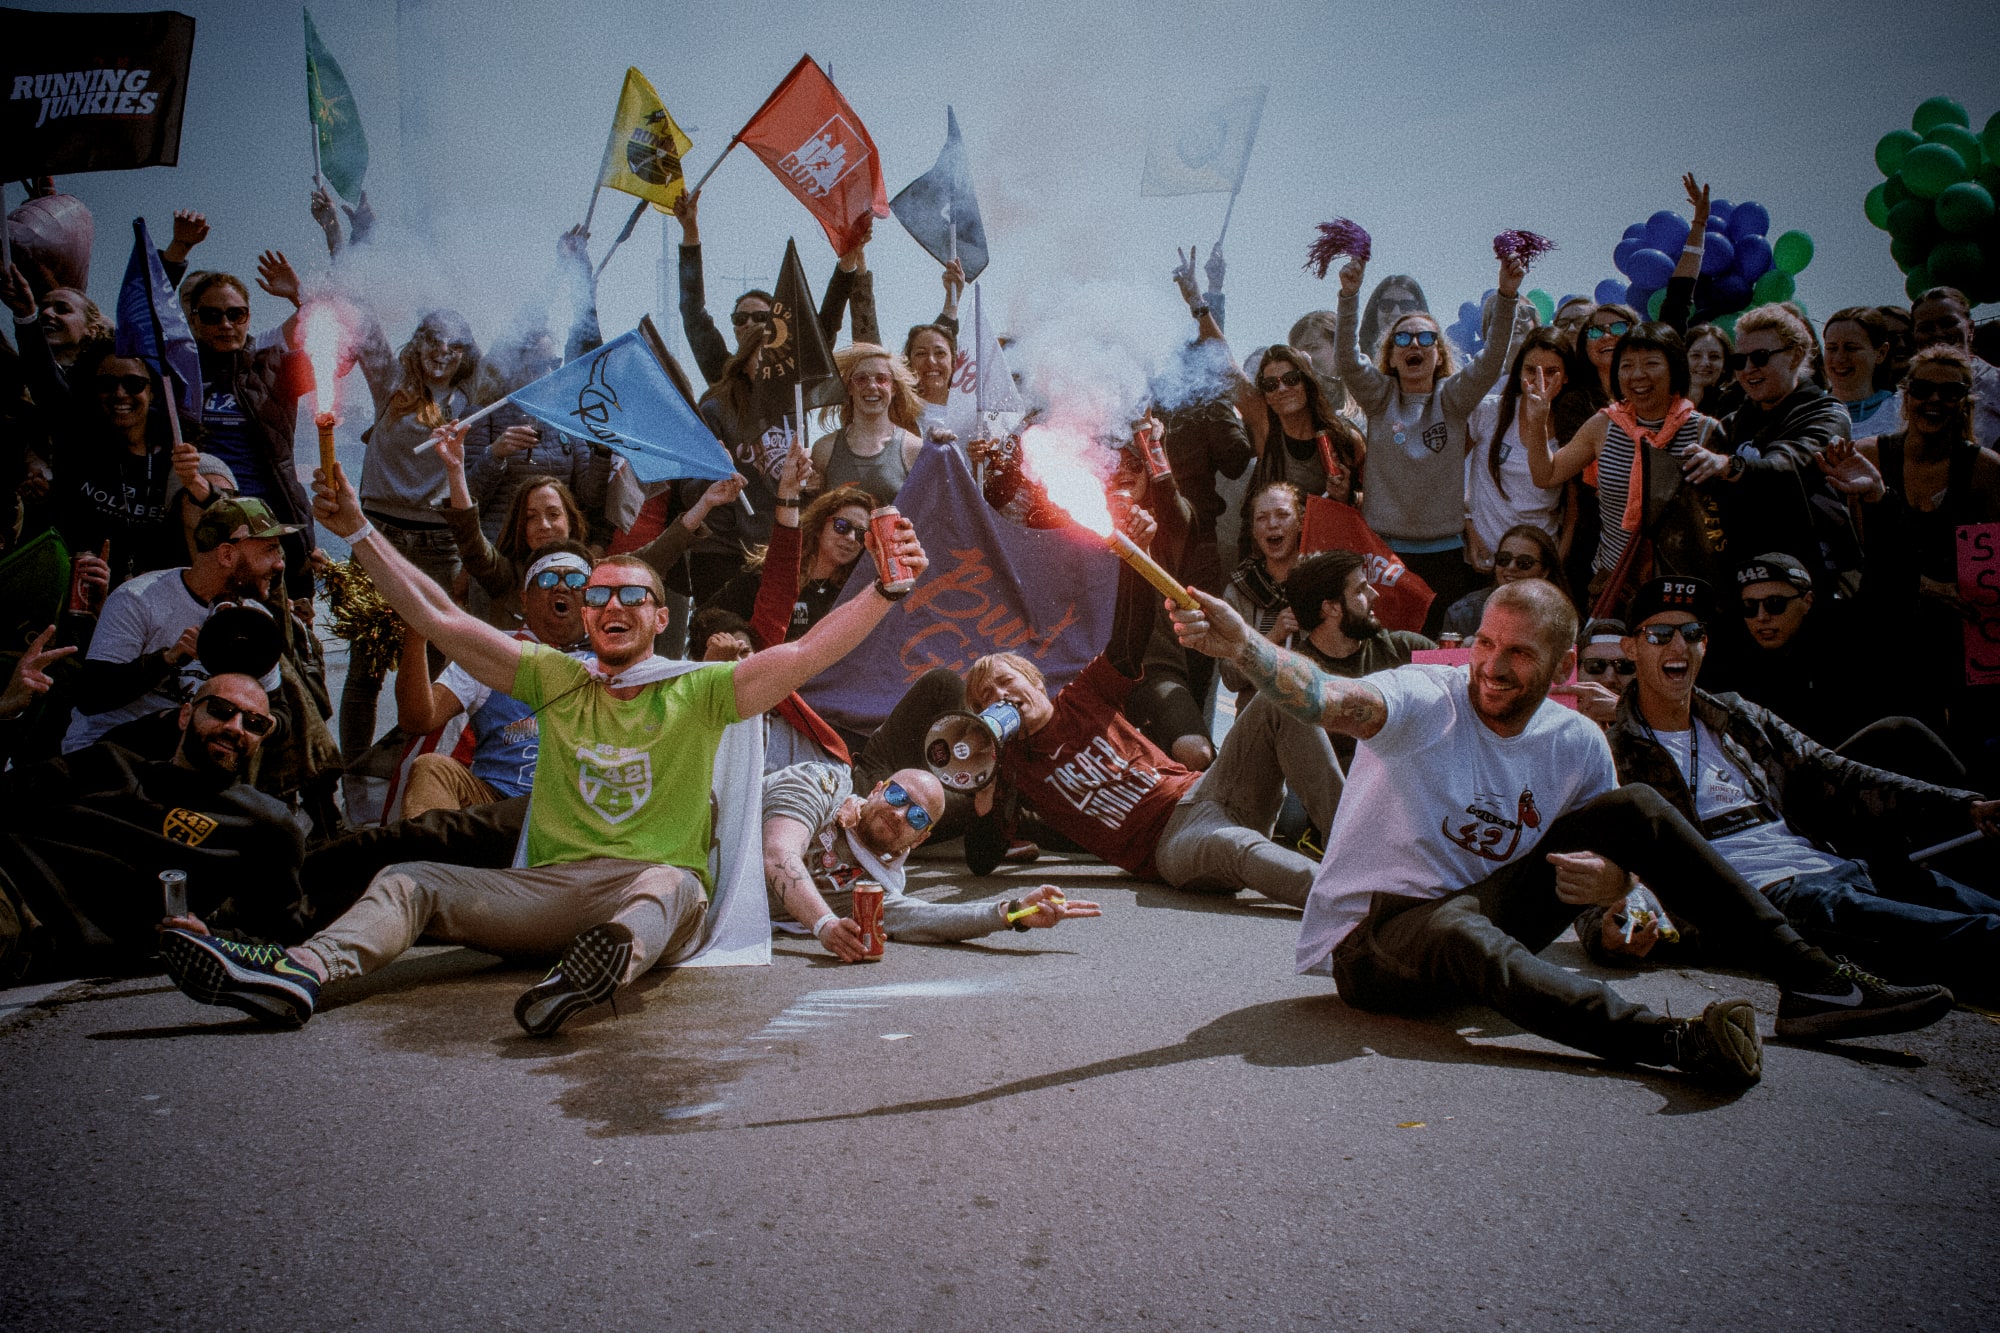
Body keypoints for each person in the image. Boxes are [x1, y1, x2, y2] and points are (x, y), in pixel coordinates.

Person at [158, 457, 930, 1036]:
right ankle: (299, 972)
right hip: (551, 890)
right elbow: (439, 618)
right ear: (586, 618)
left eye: (634, 595)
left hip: (647, 895)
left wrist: (884, 590)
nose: (612, 604)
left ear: (661, 619)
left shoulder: (698, 689)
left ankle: (586, 977)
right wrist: (358, 529)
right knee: (409, 879)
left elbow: (806, 654)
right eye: (598, 596)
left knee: (671, 886)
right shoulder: (555, 677)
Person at [1167, 574, 1954, 1087]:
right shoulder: (1423, 697)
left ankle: (1816, 984)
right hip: (1376, 944)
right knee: (1455, 929)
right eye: (1484, 646)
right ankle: (1679, 1044)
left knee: (1636, 810)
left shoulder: (1575, 743)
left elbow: (1616, 904)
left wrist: (1621, 889)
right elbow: (1330, 700)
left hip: (1482, 905)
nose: (1493, 669)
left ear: (1562, 663)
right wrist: (1246, 646)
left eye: (1518, 654)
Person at [1588, 575, 1998, 1006]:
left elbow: (1838, 772)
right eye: (1659, 635)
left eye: (1692, 634)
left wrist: (1966, 807)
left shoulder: (1737, 715)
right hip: (1779, 901)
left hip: (1841, 866)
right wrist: (1604, 933)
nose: (1677, 647)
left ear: (1705, 644)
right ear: (1631, 649)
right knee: (1978, 938)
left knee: (1985, 910)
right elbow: (1589, 864)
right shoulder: (1613, 755)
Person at [960, 516, 1347, 907]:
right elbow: (980, 861)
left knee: (1274, 701)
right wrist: (984, 776)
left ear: (1035, 681)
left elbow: (1129, 640)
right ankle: (1357, 902)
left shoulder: (1082, 696)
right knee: (1239, 847)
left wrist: (1133, 556)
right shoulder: (1012, 766)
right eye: (986, 696)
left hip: (1209, 789)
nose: (1000, 694)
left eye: (1007, 682)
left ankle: (1357, 846)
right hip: (1173, 843)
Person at [0, 673, 307, 984]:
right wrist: (5, 712)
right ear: (185, 715)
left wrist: (211, 937)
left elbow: (279, 936)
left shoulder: (266, 824)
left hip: (38, 933)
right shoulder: (110, 763)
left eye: (254, 724)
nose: (234, 727)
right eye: (220, 710)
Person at [1332, 250, 1529, 633]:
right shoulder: (1379, 397)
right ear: (1391, 353)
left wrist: (1506, 296)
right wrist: (1349, 296)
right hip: (1383, 553)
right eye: (1403, 338)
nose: (1414, 345)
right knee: (1384, 649)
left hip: (1444, 553)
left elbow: (1490, 362)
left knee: (1434, 652)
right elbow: (1347, 358)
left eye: (1426, 338)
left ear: (1438, 354)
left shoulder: (1453, 398)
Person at [1831, 346, 2000, 755]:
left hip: (1963, 630)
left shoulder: (1984, 469)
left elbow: (1992, 562)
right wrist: (1923, 585)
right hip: (1888, 619)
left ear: (1965, 400)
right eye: (1923, 389)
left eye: (1950, 392)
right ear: (1906, 394)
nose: (1935, 401)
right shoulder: (1870, 456)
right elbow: (1857, 555)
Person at [762, 761, 1097, 961]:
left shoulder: (874, 889)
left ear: (920, 839)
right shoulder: (821, 784)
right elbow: (778, 852)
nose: (899, 813)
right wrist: (825, 925)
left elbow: (927, 917)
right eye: (896, 796)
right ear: (877, 789)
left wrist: (1014, 912)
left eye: (917, 817)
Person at [343, 307, 483, 758]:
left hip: (440, 546)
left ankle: (417, 771)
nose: (442, 353)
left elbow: (522, 346)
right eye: (433, 341)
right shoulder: (391, 385)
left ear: (466, 354)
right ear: (417, 343)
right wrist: (343, 238)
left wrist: (569, 269)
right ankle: (354, 775)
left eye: (454, 345)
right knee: (364, 670)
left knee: (435, 673)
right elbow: (363, 322)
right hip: (377, 537)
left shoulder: (475, 397)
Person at [62, 497, 295, 753]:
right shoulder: (139, 598)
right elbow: (91, 697)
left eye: (279, 551)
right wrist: (167, 659)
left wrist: (253, 720)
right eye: (269, 550)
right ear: (227, 554)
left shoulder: (254, 620)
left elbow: (281, 713)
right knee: (187, 723)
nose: (279, 563)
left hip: (190, 759)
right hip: (109, 751)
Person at [1521, 321, 1732, 603]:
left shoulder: (1705, 431)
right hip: (1614, 582)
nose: (1638, 375)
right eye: (1627, 366)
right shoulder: (1604, 424)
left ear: (1675, 368)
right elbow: (1547, 475)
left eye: (1651, 364)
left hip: (1682, 584)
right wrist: (1538, 422)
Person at [392, 546, 592, 819]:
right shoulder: (492, 649)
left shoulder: (612, 660)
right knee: (431, 768)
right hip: (496, 805)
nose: (561, 587)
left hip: (578, 811)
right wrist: (416, 634)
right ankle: (426, 857)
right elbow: (417, 720)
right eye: (546, 579)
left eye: (576, 581)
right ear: (524, 599)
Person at [176, 256, 317, 598]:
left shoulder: (273, 367)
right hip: (202, 528)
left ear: (247, 318)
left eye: (235, 314)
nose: (225, 324)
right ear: (194, 321)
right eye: (212, 316)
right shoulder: (177, 374)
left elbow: (335, 330)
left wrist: (300, 295)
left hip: (270, 524)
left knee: (278, 634)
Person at [1715, 303, 1860, 591]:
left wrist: (1731, 466)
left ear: (1795, 355)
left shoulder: (1827, 413)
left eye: (1760, 357)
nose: (1748, 370)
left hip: (1812, 578)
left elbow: (1792, 463)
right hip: (1747, 579)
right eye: (1739, 360)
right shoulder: (1732, 423)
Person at [1280, 548, 1434, 771]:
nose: (1374, 595)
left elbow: (1466, 678)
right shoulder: (1297, 675)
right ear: (1331, 607)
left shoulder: (1407, 649)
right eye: (1360, 590)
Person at [1466, 327, 1572, 570]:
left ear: (1566, 376)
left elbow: (1573, 513)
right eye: (1531, 370)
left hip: (1538, 563)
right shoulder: (1489, 411)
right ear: (1518, 371)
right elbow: (1449, 472)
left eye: (1551, 372)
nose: (1540, 380)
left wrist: (1556, 564)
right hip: (1486, 558)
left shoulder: (1571, 426)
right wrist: (1467, 526)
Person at [1239, 344, 1365, 525]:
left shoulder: (1345, 439)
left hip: (1332, 546)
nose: (1282, 389)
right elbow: (1227, 368)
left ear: (1307, 382)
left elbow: (1379, 499)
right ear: (1266, 396)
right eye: (1271, 384)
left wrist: (1349, 496)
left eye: (1291, 379)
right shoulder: (1265, 435)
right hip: (1279, 547)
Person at [811, 343, 925, 507]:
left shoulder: (913, 449)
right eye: (861, 379)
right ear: (849, 388)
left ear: (893, 388)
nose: (872, 386)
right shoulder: (824, 450)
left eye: (882, 379)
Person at [1221, 481, 1305, 696]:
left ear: (1300, 522)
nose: (1272, 524)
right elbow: (1230, 678)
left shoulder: (1321, 583)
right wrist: (1272, 636)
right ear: (1255, 532)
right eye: (1262, 518)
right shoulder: (1240, 590)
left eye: (1282, 515)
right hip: (1256, 717)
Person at [1441, 523, 1570, 639]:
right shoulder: (1464, 613)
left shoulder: (1560, 617)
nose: (1511, 567)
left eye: (1524, 562)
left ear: (1545, 571)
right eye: (1504, 559)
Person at [1910, 286, 2000, 449]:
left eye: (1948, 323)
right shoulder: (1905, 392)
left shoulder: (1997, 383)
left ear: (1970, 329)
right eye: (1926, 328)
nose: (1938, 333)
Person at [1823, 307, 1902, 438]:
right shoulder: (1805, 411)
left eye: (1851, 348)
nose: (1839, 358)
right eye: (1832, 348)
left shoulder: (1901, 410)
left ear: (1881, 353)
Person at [1356, 274, 1429, 370]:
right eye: (1387, 304)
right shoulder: (1357, 358)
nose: (1396, 312)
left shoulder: (1433, 363)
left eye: (1406, 306)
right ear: (1375, 310)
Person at [1683, 324, 1737, 419]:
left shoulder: (1731, 407)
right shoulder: (1664, 401)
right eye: (1696, 355)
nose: (1705, 363)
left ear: (1725, 365)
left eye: (1714, 357)